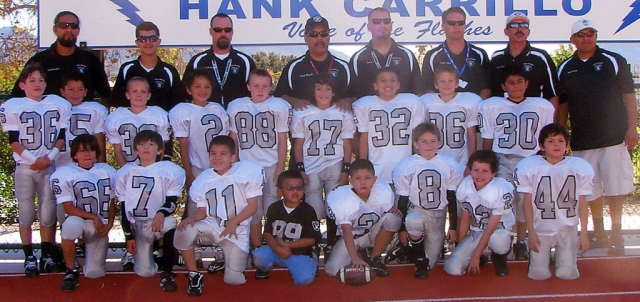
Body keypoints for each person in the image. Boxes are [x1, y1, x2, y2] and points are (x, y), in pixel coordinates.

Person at [557, 19, 638, 256]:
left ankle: (616, 235)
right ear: (572, 39)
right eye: (581, 34)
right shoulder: (565, 68)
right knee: (590, 192)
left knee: (615, 189)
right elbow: (562, 106)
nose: (586, 37)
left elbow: (629, 97)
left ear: (596, 36)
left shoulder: (613, 60)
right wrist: (561, 137)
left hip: (614, 138)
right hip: (582, 141)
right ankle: (599, 233)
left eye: (591, 33)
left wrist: (632, 128)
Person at [0, 63, 71, 276]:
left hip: (49, 165)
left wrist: (48, 158)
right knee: (26, 213)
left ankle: (47, 254)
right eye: (32, 80)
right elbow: (13, 141)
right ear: (22, 85)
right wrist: (34, 159)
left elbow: (61, 137)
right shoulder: (13, 106)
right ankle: (29, 256)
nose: (37, 84)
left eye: (40, 80)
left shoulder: (58, 104)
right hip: (25, 165)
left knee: (48, 213)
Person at [478, 63, 555, 260]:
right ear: (503, 86)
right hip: (502, 160)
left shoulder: (541, 105)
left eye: (519, 81)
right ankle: (499, 244)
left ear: (527, 83)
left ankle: (520, 240)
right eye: (510, 83)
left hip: (530, 161)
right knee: (500, 203)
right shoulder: (492, 105)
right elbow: (488, 139)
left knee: (524, 204)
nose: (516, 86)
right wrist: (486, 163)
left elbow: (547, 138)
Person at [174, 135, 263, 296]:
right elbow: (202, 211)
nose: (217, 157)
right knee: (184, 231)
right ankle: (194, 274)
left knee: (234, 280)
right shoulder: (203, 179)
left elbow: (252, 207)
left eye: (223, 153)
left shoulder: (246, 172)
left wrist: (234, 222)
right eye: (213, 153)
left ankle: (225, 262)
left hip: (236, 233)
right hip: (212, 227)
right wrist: (191, 218)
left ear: (233, 157)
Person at [514, 123, 594, 280]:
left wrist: (583, 233)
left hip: (567, 228)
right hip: (540, 229)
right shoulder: (530, 166)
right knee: (538, 275)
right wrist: (530, 231)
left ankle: (562, 260)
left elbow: (583, 203)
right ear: (542, 146)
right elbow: (527, 202)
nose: (556, 144)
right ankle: (545, 260)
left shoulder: (579, 167)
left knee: (567, 274)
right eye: (551, 141)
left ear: (567, 145)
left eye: (560, 141)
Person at [290, 76, 355, 260]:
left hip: (334, 161)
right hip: (311, 164)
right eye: (319, 89)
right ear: (313, 92)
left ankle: (332, 241)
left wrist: (346, 168)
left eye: (327, 89)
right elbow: (298, 143)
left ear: (334, 92)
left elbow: (347, 143)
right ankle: (316, 241)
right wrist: (300, 168)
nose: (323, 93)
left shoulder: (342, 112)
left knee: (334, 204)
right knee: (314, 206)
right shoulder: (303, 112)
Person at [227, 69, 292, 249]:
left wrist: (280, 166)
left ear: (271, 87)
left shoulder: (279, 106)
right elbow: (233, 137)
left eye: (264, 86)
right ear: (248, 87)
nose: (260, 90)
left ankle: (271, 246)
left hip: (270, 164)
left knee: (271, 208)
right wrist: (234, 163)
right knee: (253, 210)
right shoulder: (236, 106)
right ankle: (256, 247)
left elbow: (281, 139)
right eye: (256, 86)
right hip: (246, 166)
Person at [115, 130, 185, 292]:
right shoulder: (125, 172)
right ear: (135, 150)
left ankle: (167, 271)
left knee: (170, 222)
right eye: (142, 144)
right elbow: (123, 207)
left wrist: (161, 213)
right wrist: (128, 236)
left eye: (151, 144)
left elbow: (172, 202)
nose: (146, 147)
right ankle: (155, 252)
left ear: (160, 150)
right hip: (137, 226)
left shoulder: (169, 170)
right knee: (145, 272)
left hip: (156, 223)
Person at [392, 122, 464, 279]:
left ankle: (411, 250)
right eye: (423, 141)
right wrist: (401, 228)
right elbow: (403, 199)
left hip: (438, 215)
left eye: (433, 141)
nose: (428, 145)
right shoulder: (407, 165)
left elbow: (451, 197)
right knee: (413, 221)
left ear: (439, 142)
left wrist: (452, 226)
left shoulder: (449, 164)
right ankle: (418, 260)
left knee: (431, 262)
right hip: (417, 210)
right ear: (416, 144)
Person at [50, 134, 116, 291]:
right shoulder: (64, 173)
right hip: (81, 220)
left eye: (91, 150)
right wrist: (93, 217)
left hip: (99, 226)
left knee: (95, 273)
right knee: (69, 226)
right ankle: (70, 269)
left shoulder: (108, 171)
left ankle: (80, 258)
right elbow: (68, 208)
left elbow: (112, 202)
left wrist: (110, 224)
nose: (87, 154)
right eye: (82, 151)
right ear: (74, 154)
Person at [324, 159, 402, 277]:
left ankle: (374, 259)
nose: (363, 182)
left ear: (374, 179)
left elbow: (387, 214)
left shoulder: (383, 191)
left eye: (367, 178)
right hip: (352, 237)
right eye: (358, 178)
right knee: (333, 270)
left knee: (393, 219)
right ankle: (360, 254)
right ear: (350, 180)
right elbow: (346, 230)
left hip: (372, 232)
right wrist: (354, 258)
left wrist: (392, 210)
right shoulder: (341, 197)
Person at [444, 150, 514, 276]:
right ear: (470, 170)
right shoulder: (465, 186)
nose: (479, 174)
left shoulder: (500, 189)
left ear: (493, 173)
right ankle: (482, 256)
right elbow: (465, 219)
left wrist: (475, 255)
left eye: (485, 171)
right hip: (477, 231)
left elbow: (490, 228)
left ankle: (499, 257)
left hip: (497, 230)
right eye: (476, 170)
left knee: (499, 238)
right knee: (452, 268)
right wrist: (461, 246)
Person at [12, 11, 110, 102]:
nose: (69, 30)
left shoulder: (90, 60)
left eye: (74, 26)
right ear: (55, 29)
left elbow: (106, 94)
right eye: (64, 26)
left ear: (78, 30)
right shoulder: (39, 61)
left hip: (83, 119)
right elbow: (18, 95)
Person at [352, 68, 428, 184]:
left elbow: (416, 135)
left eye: (392, 80)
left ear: (398, 85)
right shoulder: (364, 105)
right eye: (383, 80)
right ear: (375, 85)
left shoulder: (412, 102)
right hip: (377, 166)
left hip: (405, 166)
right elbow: (364, 136)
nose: (388, 84)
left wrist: (418, 161)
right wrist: (363, 165)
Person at [252, 170, 321, 284]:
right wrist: (278, 248)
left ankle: (311, 262)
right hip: (276, 249)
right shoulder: (274, 208)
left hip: (299, 253)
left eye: (299, 188)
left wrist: (288, 245)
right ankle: (265, 269)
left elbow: (311, 239)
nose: (295, 191)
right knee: (258, 255)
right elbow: (267, 233)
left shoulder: (308, 211)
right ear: (280, 191)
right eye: (289, 188)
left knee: (304, 279)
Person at [490, 12, 559, 120]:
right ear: (506, 31)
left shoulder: (540, 57)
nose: (519, 29)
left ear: (528, 31)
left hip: (535, 121)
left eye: (524, 25)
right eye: (514, 25)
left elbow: (553, 94)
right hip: (503, 122)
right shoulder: (496, 58)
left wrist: (551, 127)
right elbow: (493, 92)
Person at [275, 15, 353, 111]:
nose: (319, 38)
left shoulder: (344, 67)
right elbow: (279, 97)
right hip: (303, 124)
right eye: (313, 34)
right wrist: (295, 102)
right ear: (305, 38)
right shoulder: (293, 67)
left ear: (329, 37)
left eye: (323, 33)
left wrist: (348, 101)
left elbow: (358, 95)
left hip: (338, 124)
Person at [183, 13, 256, 108]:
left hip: (237, 119)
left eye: (227, 30)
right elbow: (185, 95)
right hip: (206, 119)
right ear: (211, 32)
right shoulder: (198, 61)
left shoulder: (246, 62)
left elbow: (256, 93)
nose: (223, 34)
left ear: (232, 32)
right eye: (218, 30)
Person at [111, 21, 186, 112]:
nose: (148, 42)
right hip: (133, 124)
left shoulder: (169, 71)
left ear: (159, 41)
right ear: (137, 42)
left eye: (152, 38)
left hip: (161, 124)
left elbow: (178, 105)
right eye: (143, 39)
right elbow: (118, 102)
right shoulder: (126, 69)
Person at [349, 7, 423, 98]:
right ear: (368, 26)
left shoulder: (407, 56)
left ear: (391, 25)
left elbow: (418, 92)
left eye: (386, 21)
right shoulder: (358, 58)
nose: (382, 25)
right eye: (376, 21)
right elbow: (351, 95)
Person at [421, 7, 491, 98]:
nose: (456, 27)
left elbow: (487, 88)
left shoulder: (479, 54)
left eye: (461, 23)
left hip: (473, 109)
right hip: (443, 110)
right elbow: (428, 89)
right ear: (443, 26)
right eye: (452, 23)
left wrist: (475, 109)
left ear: (465, 25)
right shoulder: (432, 56)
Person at [420, 65, 481, 166]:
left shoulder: (468, 102)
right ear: (436, 84)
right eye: (442, 81)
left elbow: (472, 136)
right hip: (434, 158)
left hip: (461, 159)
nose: (446, 84)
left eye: (450, 81)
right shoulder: (426, 102)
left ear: (457, 83)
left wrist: (471, 162)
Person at [105, 76, 171, 168]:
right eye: (134, 91)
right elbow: (117, 149)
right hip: (128, 167)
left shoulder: (159, 114)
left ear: (149, 95)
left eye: (143, 92)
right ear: (127, 95)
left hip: (152, 168)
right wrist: (125, 171)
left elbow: (161, 146)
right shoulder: (116, 117)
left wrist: (154, 169)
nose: (139, 95)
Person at [55, 74, 108, 168]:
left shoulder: (96, 110)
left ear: (85, 92)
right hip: (60, 163)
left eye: (80, 89)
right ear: (62, 92)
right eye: (71, 89)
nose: (76, 93)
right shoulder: (54, 109)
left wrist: (100, 165)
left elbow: (99, 140)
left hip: (87, 165)